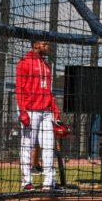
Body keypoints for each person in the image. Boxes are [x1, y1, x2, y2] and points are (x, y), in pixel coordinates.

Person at [16, 40, 60, 191]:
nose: (48, 47)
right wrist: (22, 110)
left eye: (48, 44)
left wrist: (55, 108)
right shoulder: (24, 62)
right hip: (30, 110)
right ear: (35, 45)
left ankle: (49, 181)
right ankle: (27, 181)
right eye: (44, 44)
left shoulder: (46, 66)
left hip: (46, 111)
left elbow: (48, 90)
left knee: (48, 146)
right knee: (27, 145)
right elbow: (19, 88)